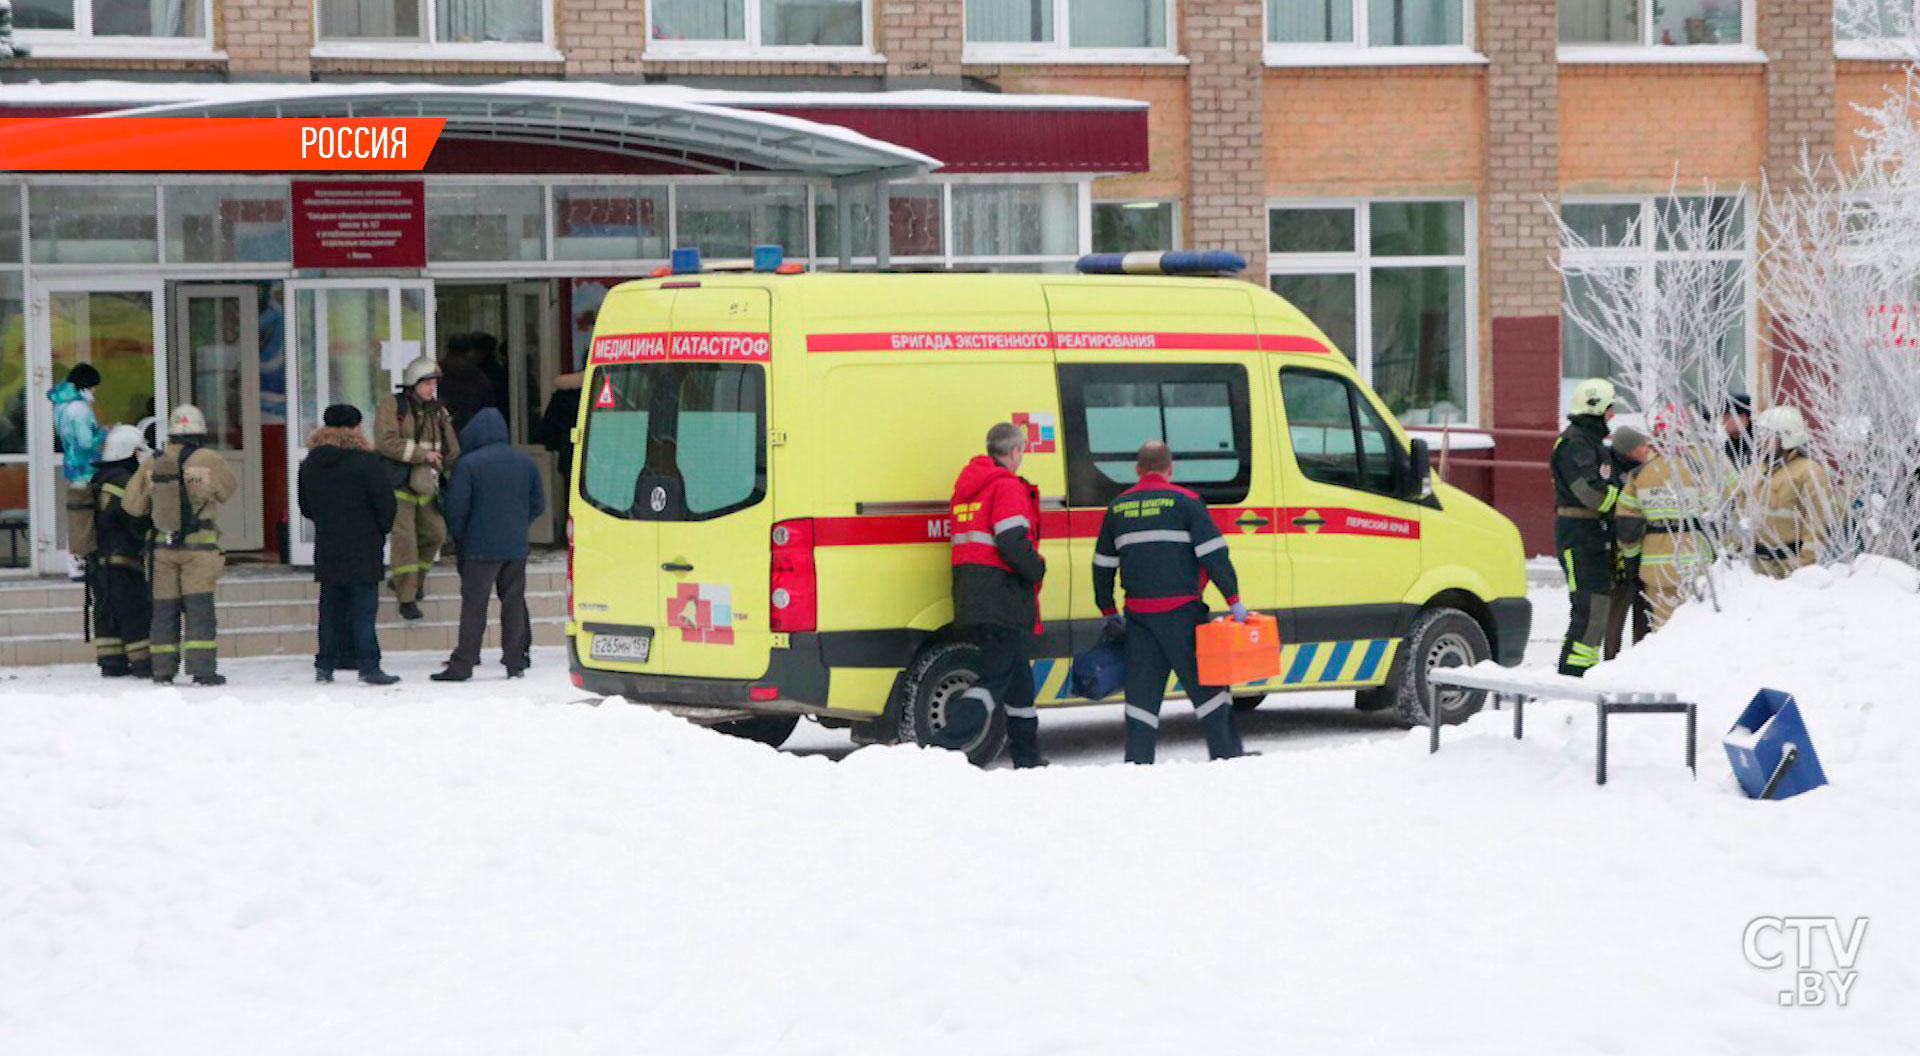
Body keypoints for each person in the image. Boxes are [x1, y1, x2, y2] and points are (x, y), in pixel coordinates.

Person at [1092, 440, 1251, 765]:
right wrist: (1233, 600)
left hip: (1139, 620)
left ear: (1138, 470)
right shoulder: (1187, 503)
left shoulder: (1117, 508)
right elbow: (1215, 556)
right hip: (1184, 617)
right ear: (1170, 469)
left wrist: (1108, 611)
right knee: (1208, 691)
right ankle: (1227, 759)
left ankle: (1138, 764)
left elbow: (1102, 566)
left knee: (1141, 699)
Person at [947, 421, 1049, 769]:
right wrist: (1037, 568)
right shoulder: (1005, 487)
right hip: (1001, 597)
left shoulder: (969, 487)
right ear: (1016, 450)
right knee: (994, 679)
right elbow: (1011, 541)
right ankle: (941, 747)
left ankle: (1027, 754)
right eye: (1022, 450)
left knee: (1019, 679)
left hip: (973, 594)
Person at [123, 404, 237, 687]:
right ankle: (202, 671)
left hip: (162, 549)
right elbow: (227, 490)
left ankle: (162, 670)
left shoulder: (153, 462)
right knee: (199, 609)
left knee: (164, 609)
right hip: (199, 549)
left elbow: (132, 505)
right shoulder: (208, 459)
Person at [432, 408, 544, 682]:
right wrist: (518, 525)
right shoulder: (526, 463)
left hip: (479, 547)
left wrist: (461, 537)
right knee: (513, 602)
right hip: (515, 546)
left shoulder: (468, 465)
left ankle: (464, 663)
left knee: (474, 606)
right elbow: (538, 505)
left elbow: (457, 508)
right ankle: (515, 660)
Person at [298, 404, 401, 686]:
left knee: (330, 610)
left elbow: (306, 507)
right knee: (363, 611)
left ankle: (325, 666)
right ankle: (369, 666)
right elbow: (385, 505)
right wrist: (380, 530)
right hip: (364, 546)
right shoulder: (367, 462)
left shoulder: (310, 463)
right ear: (356, 428)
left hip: (329, 546)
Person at [1614, 420, 1730, 632]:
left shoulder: (1640, 475)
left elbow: (1627, 527)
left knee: (1663, 630)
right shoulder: (1700, 470)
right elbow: (1721, 508)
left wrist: (1632, 559)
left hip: (1655, 568)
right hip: (1696, 564)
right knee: (1696, 629)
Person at [375, 354, 460, 621]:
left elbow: (452, 447)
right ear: (413, 382)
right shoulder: (392, 405)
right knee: (405, 542)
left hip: (428, 484)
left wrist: (446, 464)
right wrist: (422, 455)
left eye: (434, 383)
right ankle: (407, 598)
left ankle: (412, 580)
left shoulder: (439, 411)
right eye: (426, 383)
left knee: (435, 534)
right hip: (399, 484)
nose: (431, 388)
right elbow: (386, 441)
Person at [1551, 378, 1621, 677]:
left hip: (1594, 535)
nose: (1613, 416)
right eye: (1610, 409)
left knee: (1597, 609)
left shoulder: (1591, 444)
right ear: (1596, 409)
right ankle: (1572, 677)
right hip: (1579, 536)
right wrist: (1625, 499)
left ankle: (1584, 674)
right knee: (1588, 609)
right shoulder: (1574, 444)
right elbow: (1590, 493)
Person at [89, 425, 152, 679]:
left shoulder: (100, 478)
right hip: (123, 558)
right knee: (133, 611)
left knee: (106, 611)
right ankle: (142, 664)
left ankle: (111, 662)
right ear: (131, 452)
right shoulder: (124, 482)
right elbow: (134, 521)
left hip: (99, 560)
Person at [1748, 405, 1833, 579]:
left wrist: (1804, 569)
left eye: (1769, 436)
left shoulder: (1809, 472)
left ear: (1787, 437)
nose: (1762, 441)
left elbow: (1817, 525)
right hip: (1758, 569)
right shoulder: (1756, 469)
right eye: (1761, 434)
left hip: (1791, 568)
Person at [49, 363, 104, 581]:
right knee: (88, 518)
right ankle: (82, 562)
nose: (94, 393)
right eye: (93, 388)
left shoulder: (61, 406)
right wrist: (105, 434)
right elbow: (86, 442)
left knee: (77, 517)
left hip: (73, 469)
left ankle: (75, 562)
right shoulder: (79, 409)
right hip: (87, 469)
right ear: (86, 386)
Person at [1603, 425, 1653, 659]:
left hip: (1645, 546)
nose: (1647, 449)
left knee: (1643, 610)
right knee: (1617, 607)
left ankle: (1639, 657)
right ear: (1628, 450)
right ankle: (1611, 657)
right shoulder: (1609, 470)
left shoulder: (1648, 470)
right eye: (1641, 446)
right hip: (1618, 546)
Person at [1722, 393, 1755, 469]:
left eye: (1726, 419)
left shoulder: (1760, 441)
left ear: (1742, 417)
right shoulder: (1728, 446)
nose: (1723, 423)